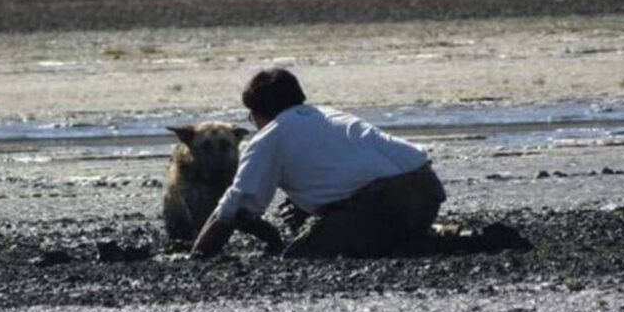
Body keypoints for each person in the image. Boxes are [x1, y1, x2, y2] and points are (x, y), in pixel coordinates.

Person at [191, 68, 446, 258]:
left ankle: (422, 242)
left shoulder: (268, 138)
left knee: (299, 258)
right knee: (391, 239)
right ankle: (435, 239)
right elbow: (345, 173)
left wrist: (198, 256)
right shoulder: (330, 115)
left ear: (259, 114)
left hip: (384, 204)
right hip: (427, 189)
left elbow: (233, 209)